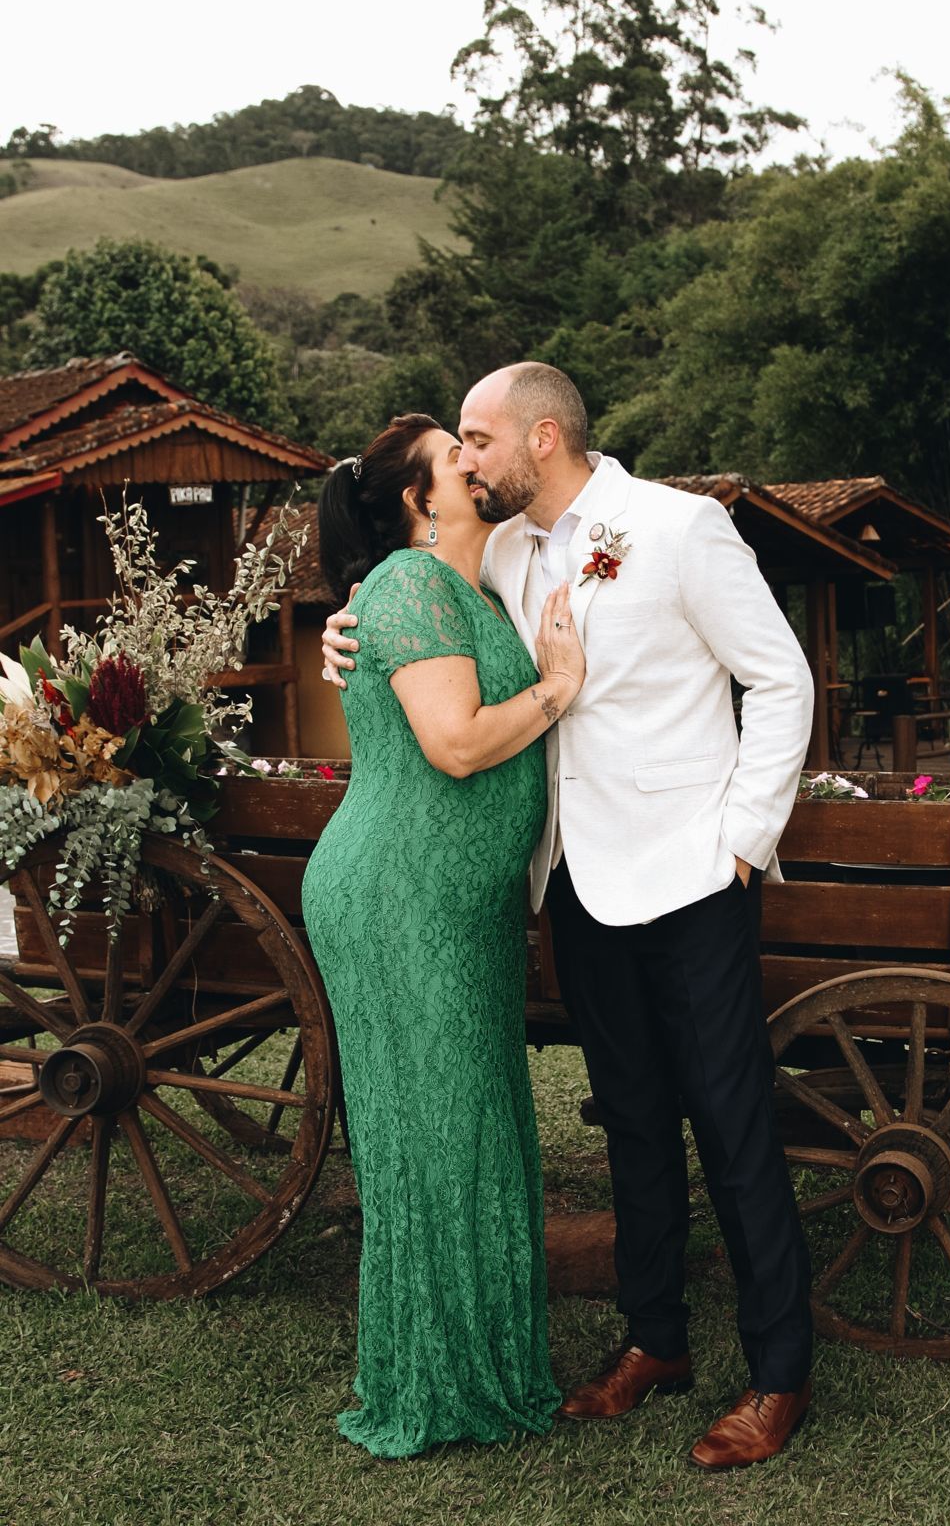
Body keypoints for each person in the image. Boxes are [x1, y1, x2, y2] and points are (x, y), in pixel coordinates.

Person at [322, 364, 816, 1472]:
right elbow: (405, 602)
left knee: (732, 1133)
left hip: (692, 881)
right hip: (578, 887)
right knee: (632, 1121)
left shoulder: (679, 527)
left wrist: (740, 842)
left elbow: (779, 681)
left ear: (540, 439)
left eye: (476, 437)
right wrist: (339, 636)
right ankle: (654, 1342)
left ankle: (777, 1372)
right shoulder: (498, 550)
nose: (468, 456)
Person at [302, 412, 585, 1458]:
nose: (475, 461)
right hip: (398, 895)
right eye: (452, 454)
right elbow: (456, 744)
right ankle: (437, 1380)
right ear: (419, 500)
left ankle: (485, 1363)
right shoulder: (415, 584)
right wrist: (556, 686)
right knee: (433, 1133)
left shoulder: (470, 575)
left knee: (470, 1125)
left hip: (452, 902)